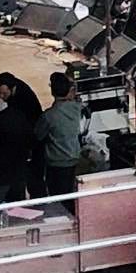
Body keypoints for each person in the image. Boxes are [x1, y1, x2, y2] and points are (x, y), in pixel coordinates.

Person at [33, 72, 82, 209]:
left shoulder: (49, 116)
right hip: (76, 159)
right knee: (73, 197)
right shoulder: (78, 109)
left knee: (59, 201)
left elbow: (38, 135)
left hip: (57, 164)